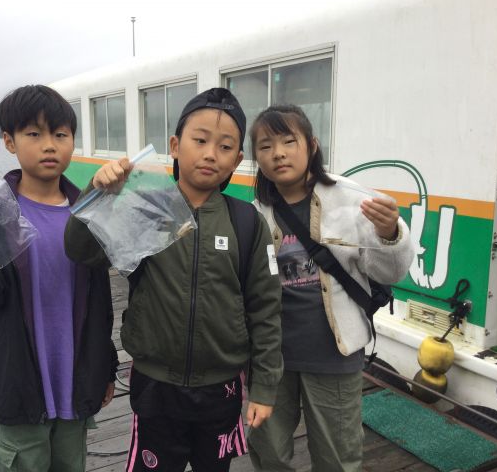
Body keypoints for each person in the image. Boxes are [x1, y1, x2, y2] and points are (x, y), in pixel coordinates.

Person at [64, 88, 283, 472]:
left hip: (221, 389)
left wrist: (263, 388)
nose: (211, 154)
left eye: (225, 146)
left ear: (238, 160)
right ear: (175, 146)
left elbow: (265, 308)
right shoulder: (147, 210)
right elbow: (81, 250)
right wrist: (99, 193)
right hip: (155, 386)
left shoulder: (247, 222)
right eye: (200, 140)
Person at [0, 85, 118, 472]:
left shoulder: (87, 211)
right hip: (16, 381)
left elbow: (101, 303)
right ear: (9, 141)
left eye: (60, 134)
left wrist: (106, 366)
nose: (49, 145)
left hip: (75, 379)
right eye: (34, 133)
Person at [246, 104, 415, 472]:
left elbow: (390, 272)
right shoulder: (254, 213)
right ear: (256, 157)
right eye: (266, 146)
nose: (278, 153)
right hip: (271, 360)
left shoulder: (350, 200)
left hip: (334, 356)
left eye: (289, 141)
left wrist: (390, 234)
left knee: (337, 457)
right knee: (268, 451)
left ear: (312, 145)